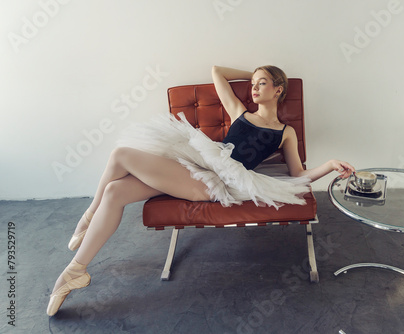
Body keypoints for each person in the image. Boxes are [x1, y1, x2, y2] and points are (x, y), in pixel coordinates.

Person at [47, 65, 355, 316]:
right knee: (115, 192)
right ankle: (77, 271)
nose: (255, 88)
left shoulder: (284, 132)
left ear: (279, 90)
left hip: (212, 183)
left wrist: (328, 165)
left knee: (121, 155)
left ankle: (88, 217)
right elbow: (216, 71)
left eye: (263, 83)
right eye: (253, 84)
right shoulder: (240, 112)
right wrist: (253, 72)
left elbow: (298, 174)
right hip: (199, 161)